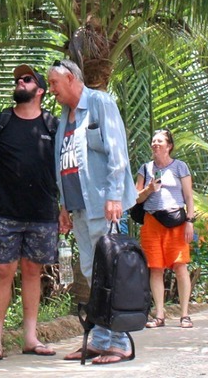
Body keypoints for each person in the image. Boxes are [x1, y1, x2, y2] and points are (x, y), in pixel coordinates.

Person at [48, 59, 137, 365]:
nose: (51, 91)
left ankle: (120, 341)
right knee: (92, 273)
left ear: (70, 79)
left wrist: (114, 195)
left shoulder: (100, 102)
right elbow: (64, 161)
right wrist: (64, 205)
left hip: (103, 203)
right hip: (79, 207)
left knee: (111, 273)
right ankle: (99, 339)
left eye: (54, 84)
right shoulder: (64, 116)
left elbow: (117, 151)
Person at [0, 64, 60, 362]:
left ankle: (30, 338)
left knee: (33, 272)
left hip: (43, 213)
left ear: (40, 91)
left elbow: (66, 169)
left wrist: (66, 208)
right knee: (3, 271)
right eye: (18, 80)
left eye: (27, 79)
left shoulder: (54, 125)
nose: (20, 82)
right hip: (5, 213)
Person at [135, 129, 196, 329]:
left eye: (160, 141)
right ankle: (159, 314)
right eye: (153, 141)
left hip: (176, 222)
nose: (155, 144)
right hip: (152, 221)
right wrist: (149, 189)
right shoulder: (145, 169)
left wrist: (190, 221)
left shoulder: (180, 167)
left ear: (169, 145)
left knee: (180, 266)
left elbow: (188, 197)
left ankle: (184, 314)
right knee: (155, 268)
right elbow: (136, 198)